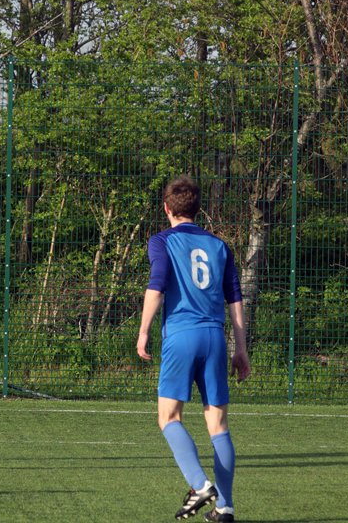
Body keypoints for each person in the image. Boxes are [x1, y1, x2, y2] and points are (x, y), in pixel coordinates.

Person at [136, 176, 250, 522]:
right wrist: (241, 348)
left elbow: (157, 286)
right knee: (218, 424)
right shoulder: (219, 246)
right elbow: (235, 299)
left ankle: (200, 485)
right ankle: (225, 507)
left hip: (182, 336)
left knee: (168, 417)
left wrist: (143, 331)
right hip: (215, 337)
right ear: (198, 209)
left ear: (166, 208)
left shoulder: (162, 241)